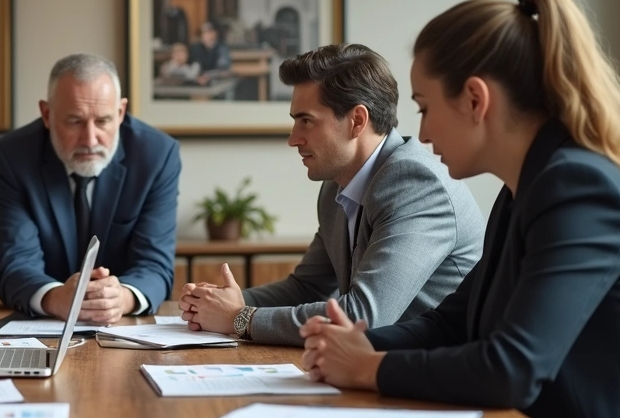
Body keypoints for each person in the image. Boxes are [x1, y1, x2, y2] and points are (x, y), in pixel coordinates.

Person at [299, 0, 620, 418]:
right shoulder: (522, 191)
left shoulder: (578, 186)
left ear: (474, 99)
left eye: (424, 107)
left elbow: (512, 367)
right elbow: (455, 321)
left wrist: (370, 368)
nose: (421, 135)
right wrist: (356, 344)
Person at [180, 43, 484, 346]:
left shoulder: (415, 183)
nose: (293, 139)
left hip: (437, 374)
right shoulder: (336, 186)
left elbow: (362, 317)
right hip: (380, 364)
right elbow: (307, 287)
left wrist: (240, 317)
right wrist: (221, 303)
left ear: (357, 121)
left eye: (306, 121)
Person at [0, 53, 180, 322]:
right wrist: (55, 298)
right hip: (46, 326)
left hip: (124, 328)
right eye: (74, 121)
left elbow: (155, 264)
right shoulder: (11, 157)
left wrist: (120, 298)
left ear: (121, 112)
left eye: (103, 121)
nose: (90, 139)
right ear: (46, 114)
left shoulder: (157, 156)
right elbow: (15, 262)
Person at [189, 21, 232, 86]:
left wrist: (208, 75)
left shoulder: (222, 48)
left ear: (214, 33)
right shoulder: (196, 48)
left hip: (218, 82)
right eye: (201, 33)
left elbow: (222, 68)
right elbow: (194, 65)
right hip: (198, 81)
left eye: (206, 32)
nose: (203, 35)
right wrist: (197, 76)